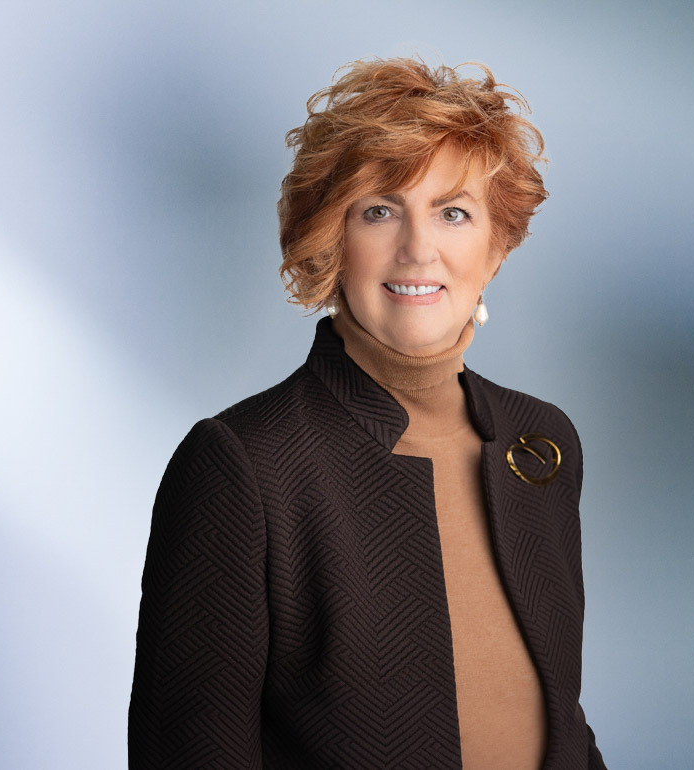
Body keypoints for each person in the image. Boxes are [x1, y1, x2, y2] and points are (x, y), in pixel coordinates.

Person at [129, 56, 607, 770]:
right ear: (331, 240)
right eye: (379, 211)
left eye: (453, 213)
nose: (418, 250)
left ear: (496, 246)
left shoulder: (539, 444)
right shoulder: (244, 464)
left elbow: (557, 719)